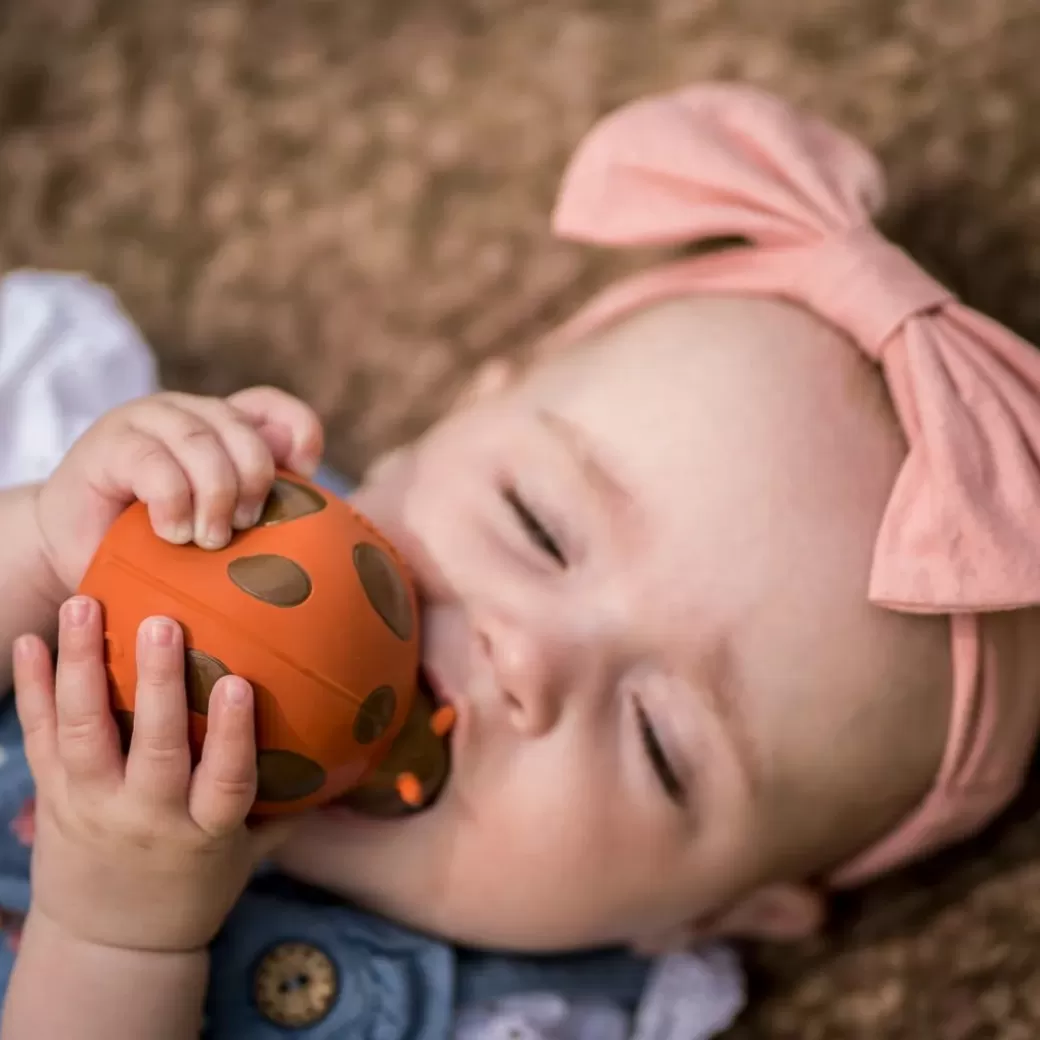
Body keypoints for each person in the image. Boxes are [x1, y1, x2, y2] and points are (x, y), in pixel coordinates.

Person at [3, 81, 1040, 1037]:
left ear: (708, 915)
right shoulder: (139, 480)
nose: (526, 655)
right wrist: (54, 546)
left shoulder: (526, 1020)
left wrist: (116, 935)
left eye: (659, 744)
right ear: (456, 414)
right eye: (534, 524)